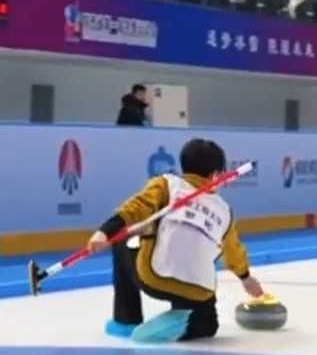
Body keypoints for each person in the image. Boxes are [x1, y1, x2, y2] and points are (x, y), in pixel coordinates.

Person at [90, 139, 266, 342]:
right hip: (199, 290)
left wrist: (105, 231)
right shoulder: (225, 210)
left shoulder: (167, 184)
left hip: (156, 278)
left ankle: (126, 320)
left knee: (122, 240)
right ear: (216, 175)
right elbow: (233, 251)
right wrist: (246, 278)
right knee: (208, 323)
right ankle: (189, 323)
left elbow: (136, 208)